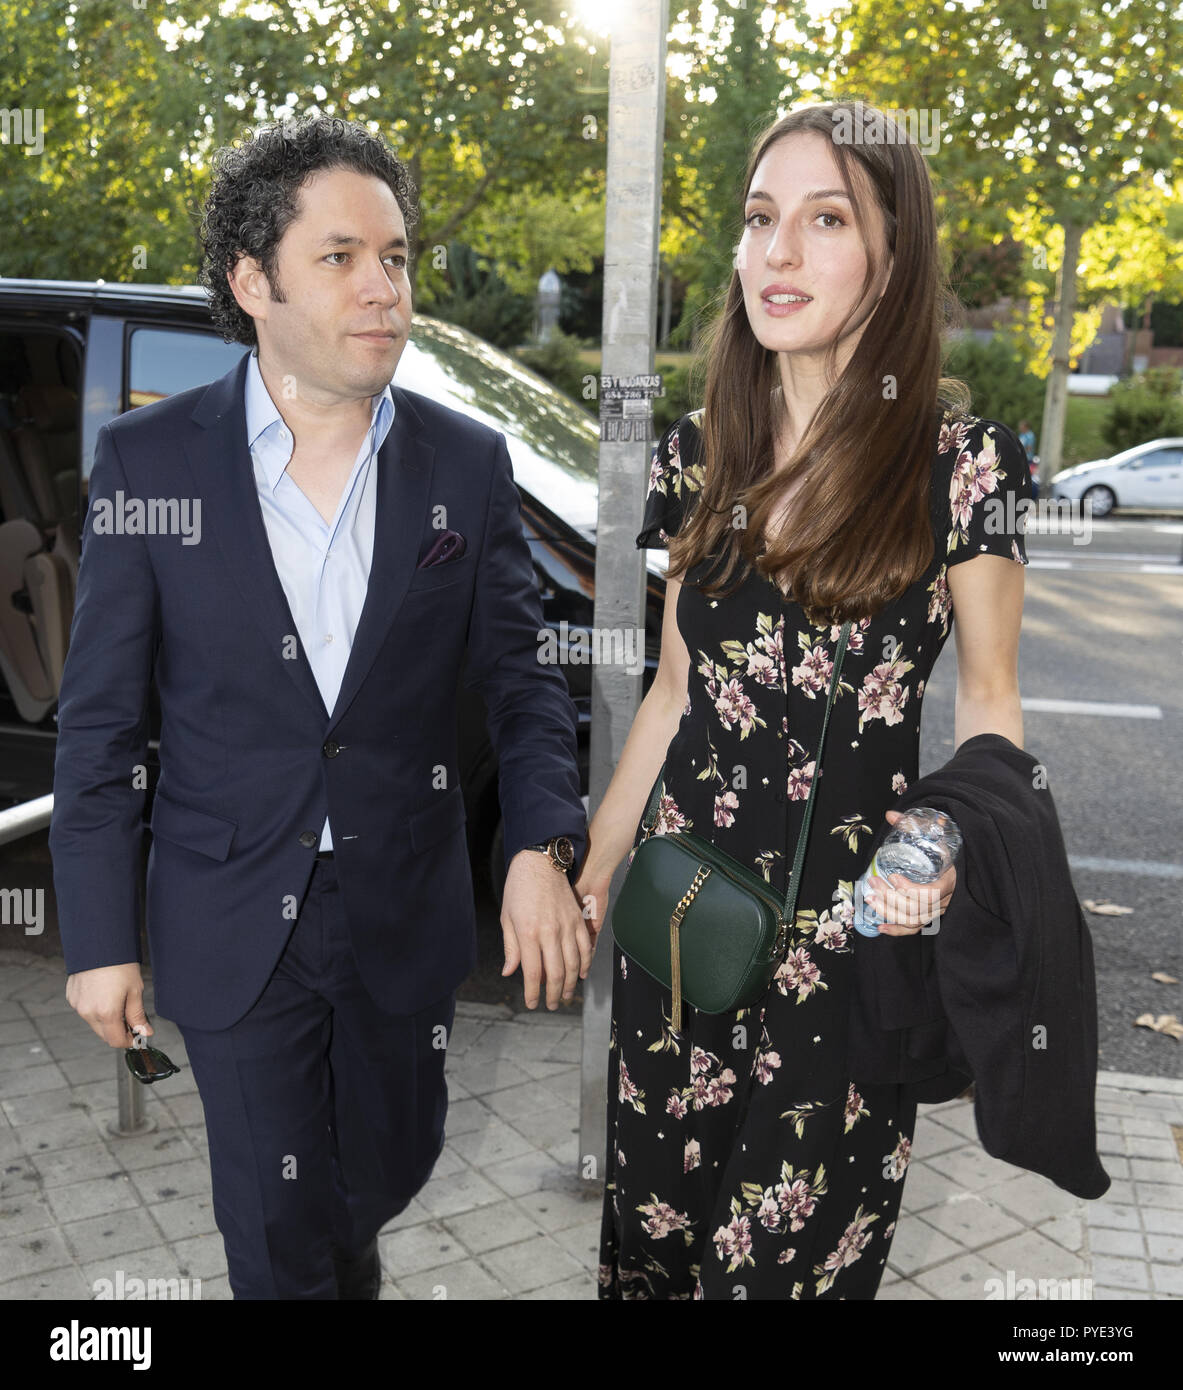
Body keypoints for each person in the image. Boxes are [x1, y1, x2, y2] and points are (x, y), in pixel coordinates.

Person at [49, 115, 591, 1299]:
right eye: (340, 257)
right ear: (253, 281)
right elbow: (101, 725)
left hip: (402, 904)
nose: (382, 287)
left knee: (377, 1181)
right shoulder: (152, 466)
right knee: (279, 1231)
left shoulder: (465, 464)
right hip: (233, 910)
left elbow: (521, 682)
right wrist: (97, 938)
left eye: (394, 258)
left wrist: (543, 843)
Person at [576, 100, 1032, 1299]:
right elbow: (673, 690)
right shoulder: (698, 453)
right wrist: (589, 872)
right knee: (659, 1263)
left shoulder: (961, 466)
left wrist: (939, 834)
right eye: (760, 218)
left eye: (825, 219)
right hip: (681, 937)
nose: (776, 252)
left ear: (891, 259)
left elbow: (990, 706)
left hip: (850, 959)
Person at [1017, 419, 1039, 499]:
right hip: (1021, 458)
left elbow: (1029, 448)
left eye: (1021, 426)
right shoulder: (1022, 435)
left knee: (1028, 477)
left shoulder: (1030, 435)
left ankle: (1031, 495)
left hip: (1027, 459)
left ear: (1026, 427)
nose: (1020, 428)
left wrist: (1020, 450)